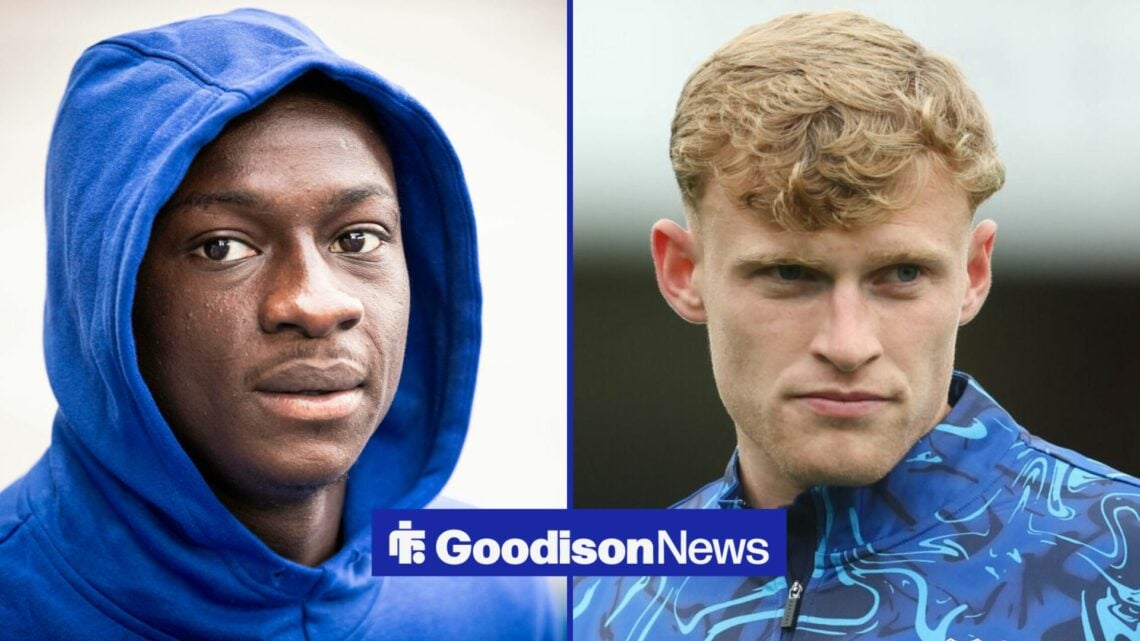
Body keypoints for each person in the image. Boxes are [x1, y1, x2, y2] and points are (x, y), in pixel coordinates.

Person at [572, 11, 1140, 641]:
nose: (847, 345)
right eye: (789, 274)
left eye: (901, 274)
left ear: (973, 274)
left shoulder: (1125, 560)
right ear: (683, 272)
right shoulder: (596, 596)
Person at [0, 9, 556, 639]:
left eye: (357, 237)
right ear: (103, 291)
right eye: (222, 248)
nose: (317, 303)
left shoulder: (498, 597)